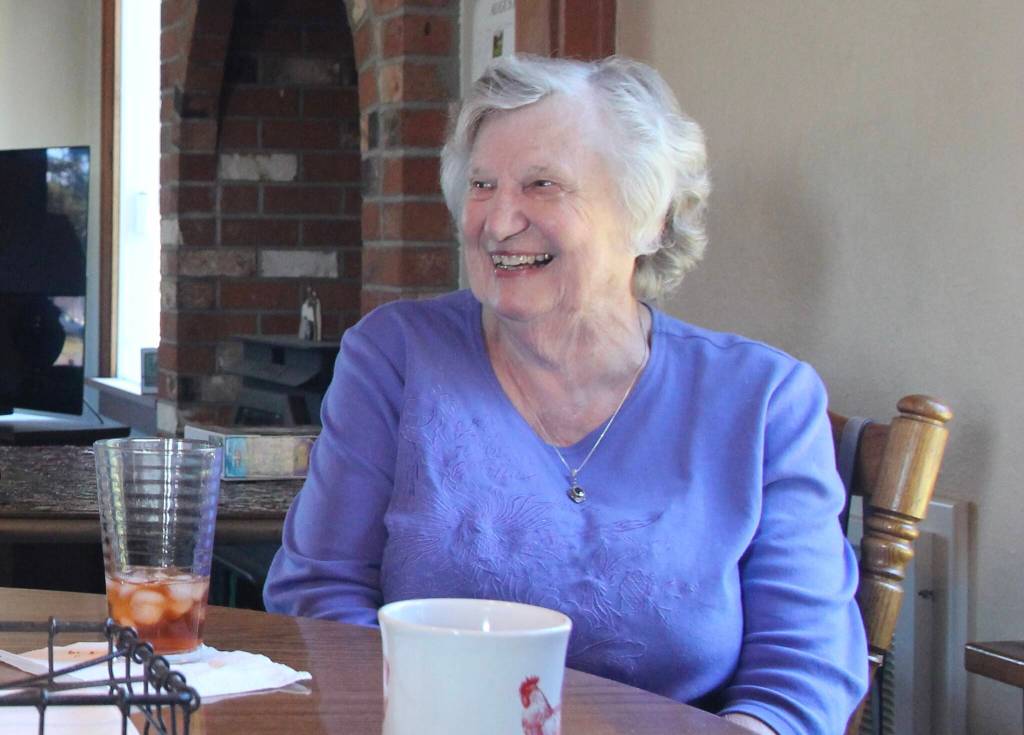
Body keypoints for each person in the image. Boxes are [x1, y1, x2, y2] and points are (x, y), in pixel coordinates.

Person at [264, 54, 868, 734]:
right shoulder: (396, 356)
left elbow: (803, 668)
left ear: (648, 217)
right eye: (483, 184)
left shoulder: (764, 402)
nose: (496, 221)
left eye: (542, 184)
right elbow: (319, 593)